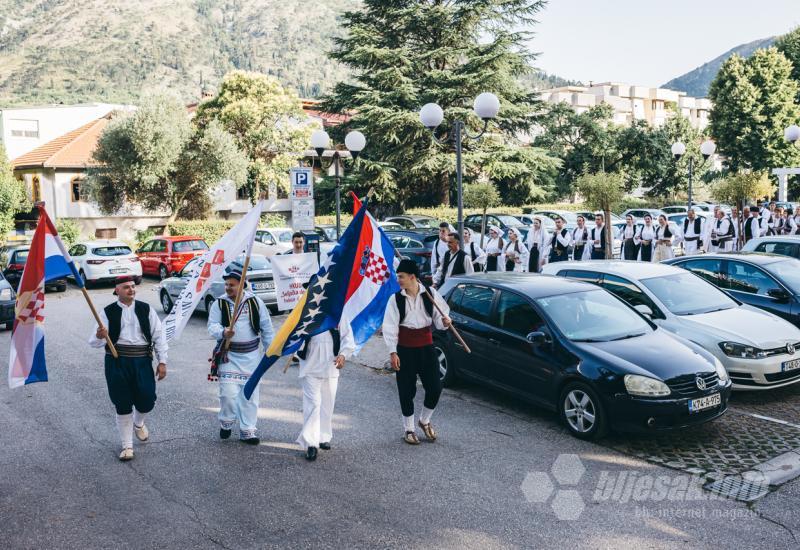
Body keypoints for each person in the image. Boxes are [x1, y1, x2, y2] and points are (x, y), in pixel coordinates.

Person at [89, 276, 167, 462]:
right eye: (126, 287)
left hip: (142, 360)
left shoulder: (146, 309)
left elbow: (159, 336)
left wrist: (162, 361)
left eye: (133, 286)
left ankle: (138, 423)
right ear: (117, 290)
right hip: (116, 361)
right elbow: (93, 342)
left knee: (147, 399)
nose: (131, 290)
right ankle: (127, 446)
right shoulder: (107, 312)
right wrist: (101, 336)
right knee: (122, 403)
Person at [383, 260, 451, 445]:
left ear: (412, 277)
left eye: (401, 277)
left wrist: (445, 322)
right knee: (406, 391)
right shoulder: (395, 299)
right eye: (398, 277)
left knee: (435, 388)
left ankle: (424, 421)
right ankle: (409, 429)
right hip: (404, 349)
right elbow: (389, 327)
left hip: (427, 348)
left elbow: (440, 319)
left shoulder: (430, 294)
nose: (399, 280)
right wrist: (392, 352)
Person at [207, 270, 275, 445]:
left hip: (251, 357)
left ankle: (247, 431)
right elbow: (212, 325)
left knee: (249, 395)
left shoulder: (254, 302)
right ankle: (226, 422)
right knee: (228, 395)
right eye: (226, 284)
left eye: (232, 284)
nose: (228, 287)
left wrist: (271, 351)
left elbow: (266, 327)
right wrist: (223, 332)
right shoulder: (219, 304)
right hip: (229, 356)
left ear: (241, 284)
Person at [296, 318, 355, 461]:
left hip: (331, 365)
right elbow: (294, 334)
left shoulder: (340, 312)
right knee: (313, 405)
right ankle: (311, 443)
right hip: (310, 365)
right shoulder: (306, 308)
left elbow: (348, 336)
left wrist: (343, 354)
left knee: (327, 404)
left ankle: (323, 436)